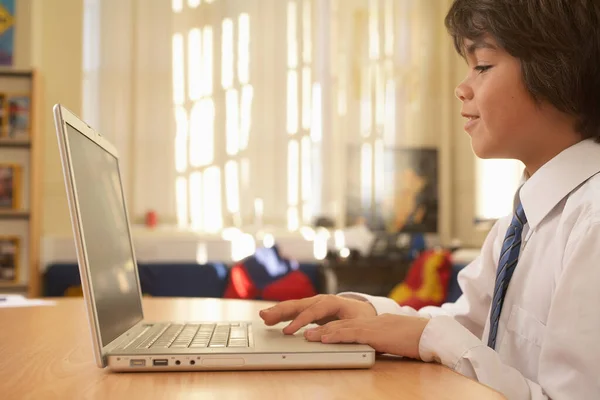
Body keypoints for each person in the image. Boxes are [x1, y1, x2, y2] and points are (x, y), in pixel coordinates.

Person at [259, 1, 600, 398]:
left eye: (483, 65)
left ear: (557, 70)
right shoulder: (523, 218)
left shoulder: (591, 222)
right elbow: (468, 327)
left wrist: (429, 337)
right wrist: (371, 315)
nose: (462, 87)